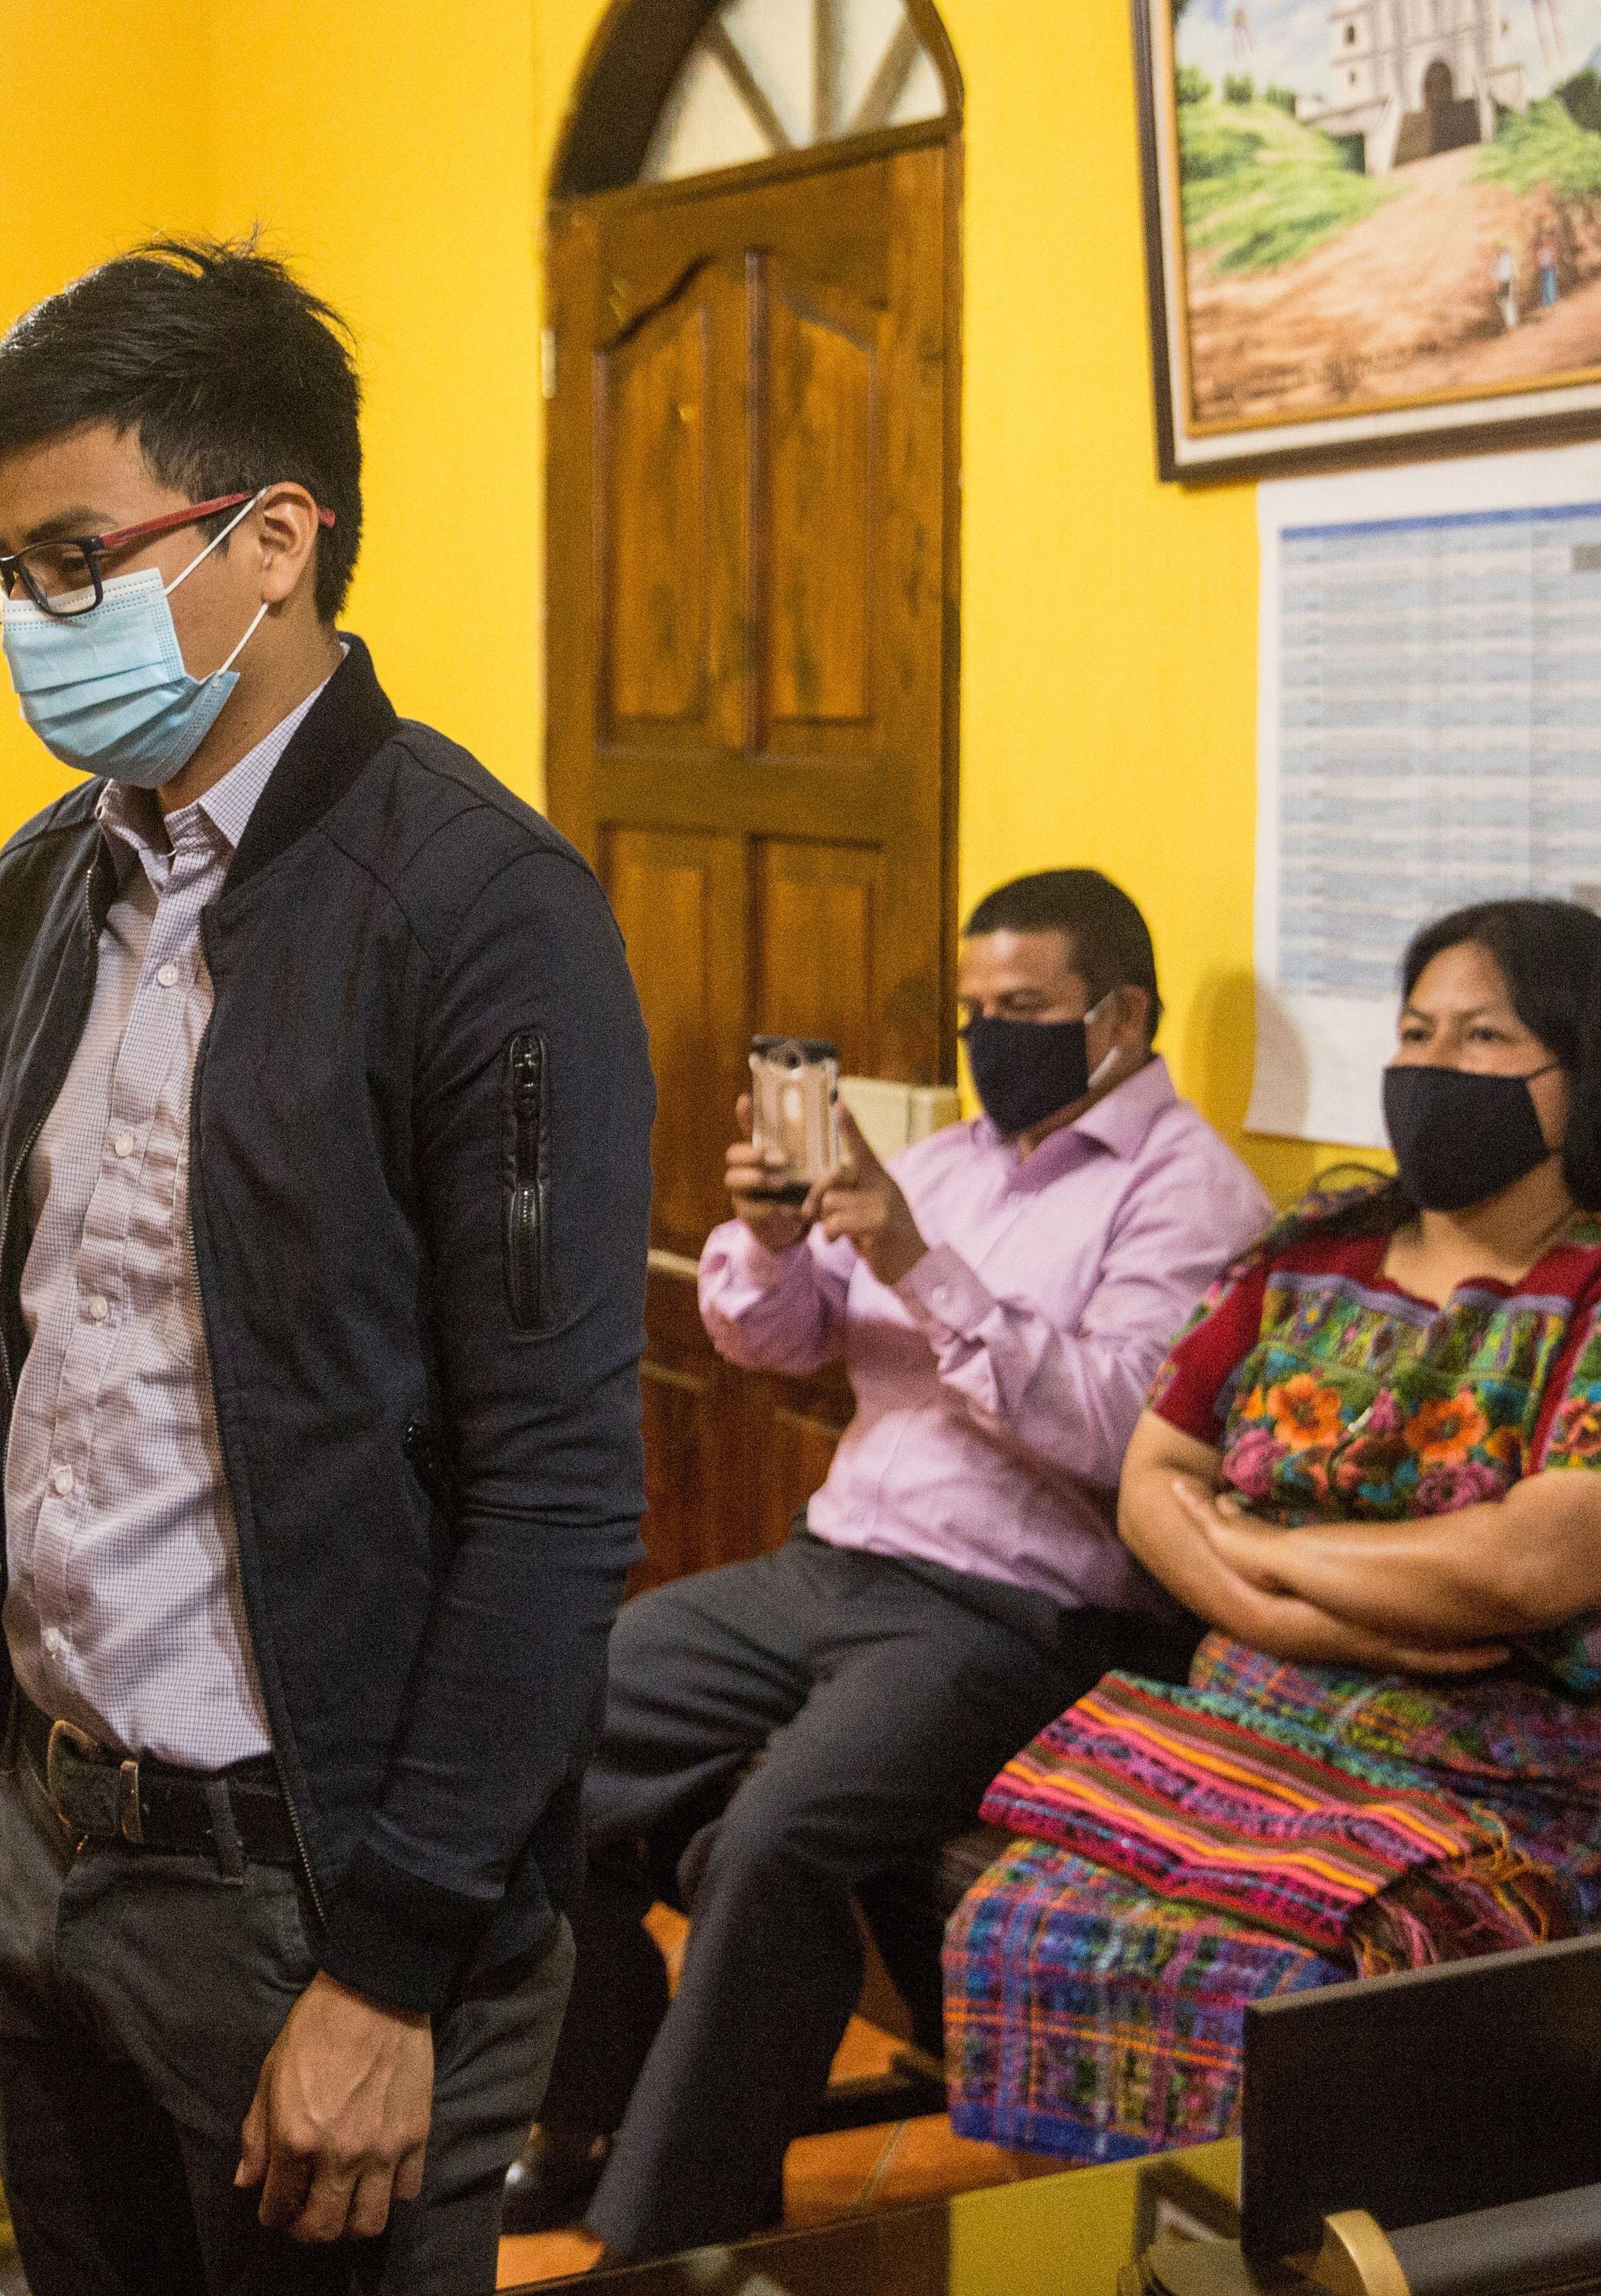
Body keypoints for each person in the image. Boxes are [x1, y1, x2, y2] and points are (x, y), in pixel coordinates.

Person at [0, 240, 655, 2296]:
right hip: (46, 1849)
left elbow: (554, 1497)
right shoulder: (49, 883)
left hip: (316, 1898)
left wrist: (394, 1972)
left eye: (75, 557)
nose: (33, 621)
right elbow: (2, 1322)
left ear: (275, 541)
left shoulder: (484, 913)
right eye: (5, 575)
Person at [942, 897, 1601, 2162]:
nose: (1436, 1070)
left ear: (1590, 1073)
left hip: (1538, 1765)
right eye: (1416, 1032)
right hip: (1254, 1721)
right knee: (1020, 1926)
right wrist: (1278, 1612)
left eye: (1486, 1040)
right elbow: (1154, 1474)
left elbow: (1528, 1562)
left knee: (1289, 1991)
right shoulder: (1315, 1249)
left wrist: (1266, 1548)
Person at [504, 870, 1272, 2257]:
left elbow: (1121, 1427)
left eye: (1025, 1009)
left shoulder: (1195, 1195)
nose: (992, 1037)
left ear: (1123, 1014)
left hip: (1013, 1617)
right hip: (830, 1565)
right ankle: (582, 2102)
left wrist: (917, 1260)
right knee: (533, 1723)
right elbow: (777, 1343)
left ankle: (675, 2233)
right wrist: (780, 1239)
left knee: (775, 1839)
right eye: (976, 1009)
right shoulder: (958, 1158)